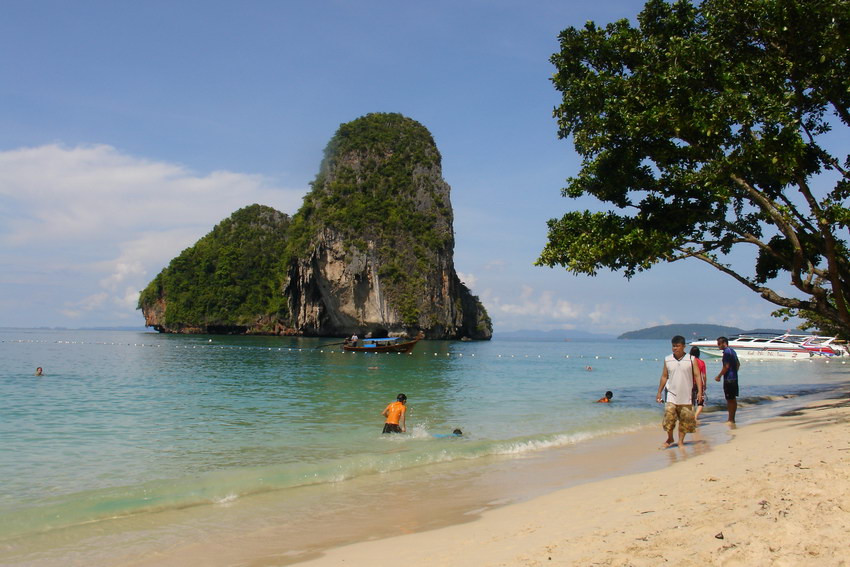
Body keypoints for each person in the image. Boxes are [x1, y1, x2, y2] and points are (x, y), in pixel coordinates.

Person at [656, 335, 703, 448]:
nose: (675, 348)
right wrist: (659, 392)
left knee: (685, 420)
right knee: (669, 418)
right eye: (673, 346)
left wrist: (700, 392)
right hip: (671, 394)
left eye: (677, 346)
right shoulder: (668, 359)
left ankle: (681, 441)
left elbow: (697, 376)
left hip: (686, 395)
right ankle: (670, 438)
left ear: (683, 346)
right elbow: (664, 376)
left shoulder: (691, 360)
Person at [714, 336, 740, 423]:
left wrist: (719, 376)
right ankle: (732, 418)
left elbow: (726, 366)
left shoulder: (726, 352)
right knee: (733, 399)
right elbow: (738, 364)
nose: (718, 346)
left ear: (724, 343)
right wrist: (735, 372)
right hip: (734, 378)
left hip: (729, 379)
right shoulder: (732, 351)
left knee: (729, 399)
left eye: (719, 344)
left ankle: (731, 419)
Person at [689, 346, 707, 421]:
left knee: (691, 402)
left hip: (689, 383)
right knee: (700, 403)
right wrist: (705, 384)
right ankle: (696, 416)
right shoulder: (701, 362)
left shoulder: (689, 361)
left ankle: (692, 416)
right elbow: (704, 375)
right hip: (699, 384)